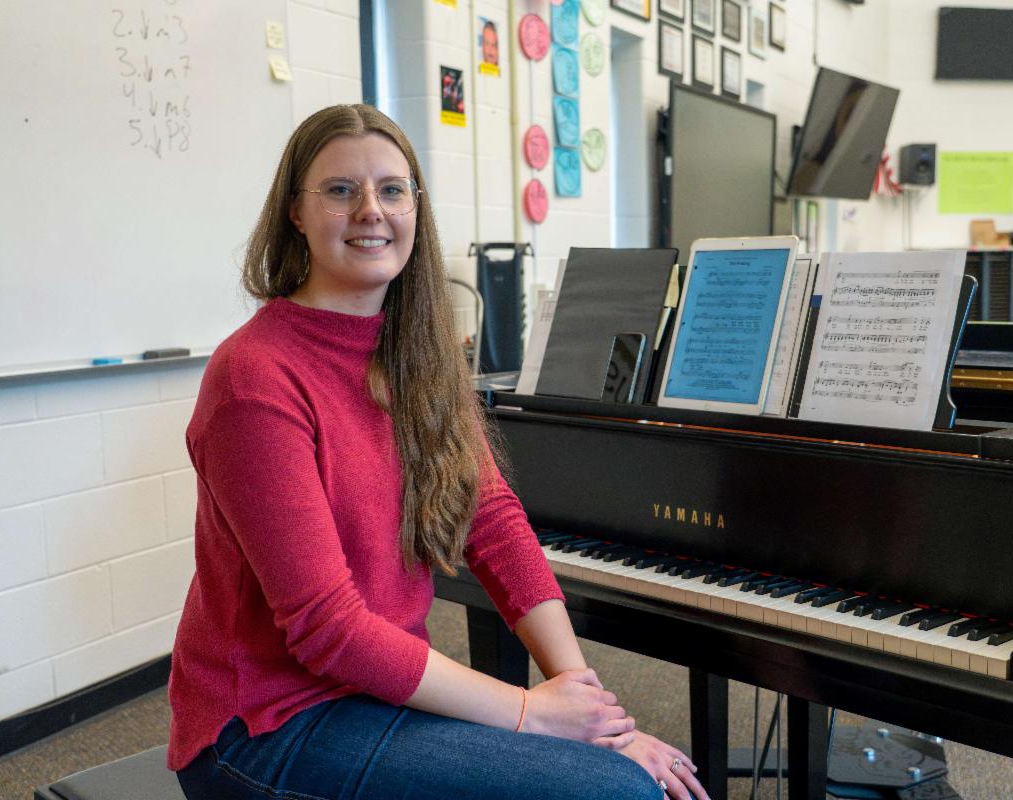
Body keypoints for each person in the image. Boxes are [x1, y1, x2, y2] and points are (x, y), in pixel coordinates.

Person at [167, 103, 710, 800]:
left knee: (613, 768)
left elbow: (494, 523)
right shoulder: (254, 377)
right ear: (296, 214)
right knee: (613, 793)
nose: (371, 209)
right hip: (269, 729)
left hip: (373, 694)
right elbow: (327, 630)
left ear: (415, 209)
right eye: (340, 190)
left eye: (392, 190)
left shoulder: (415, 354)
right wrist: (531, 715)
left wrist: (592, 710)